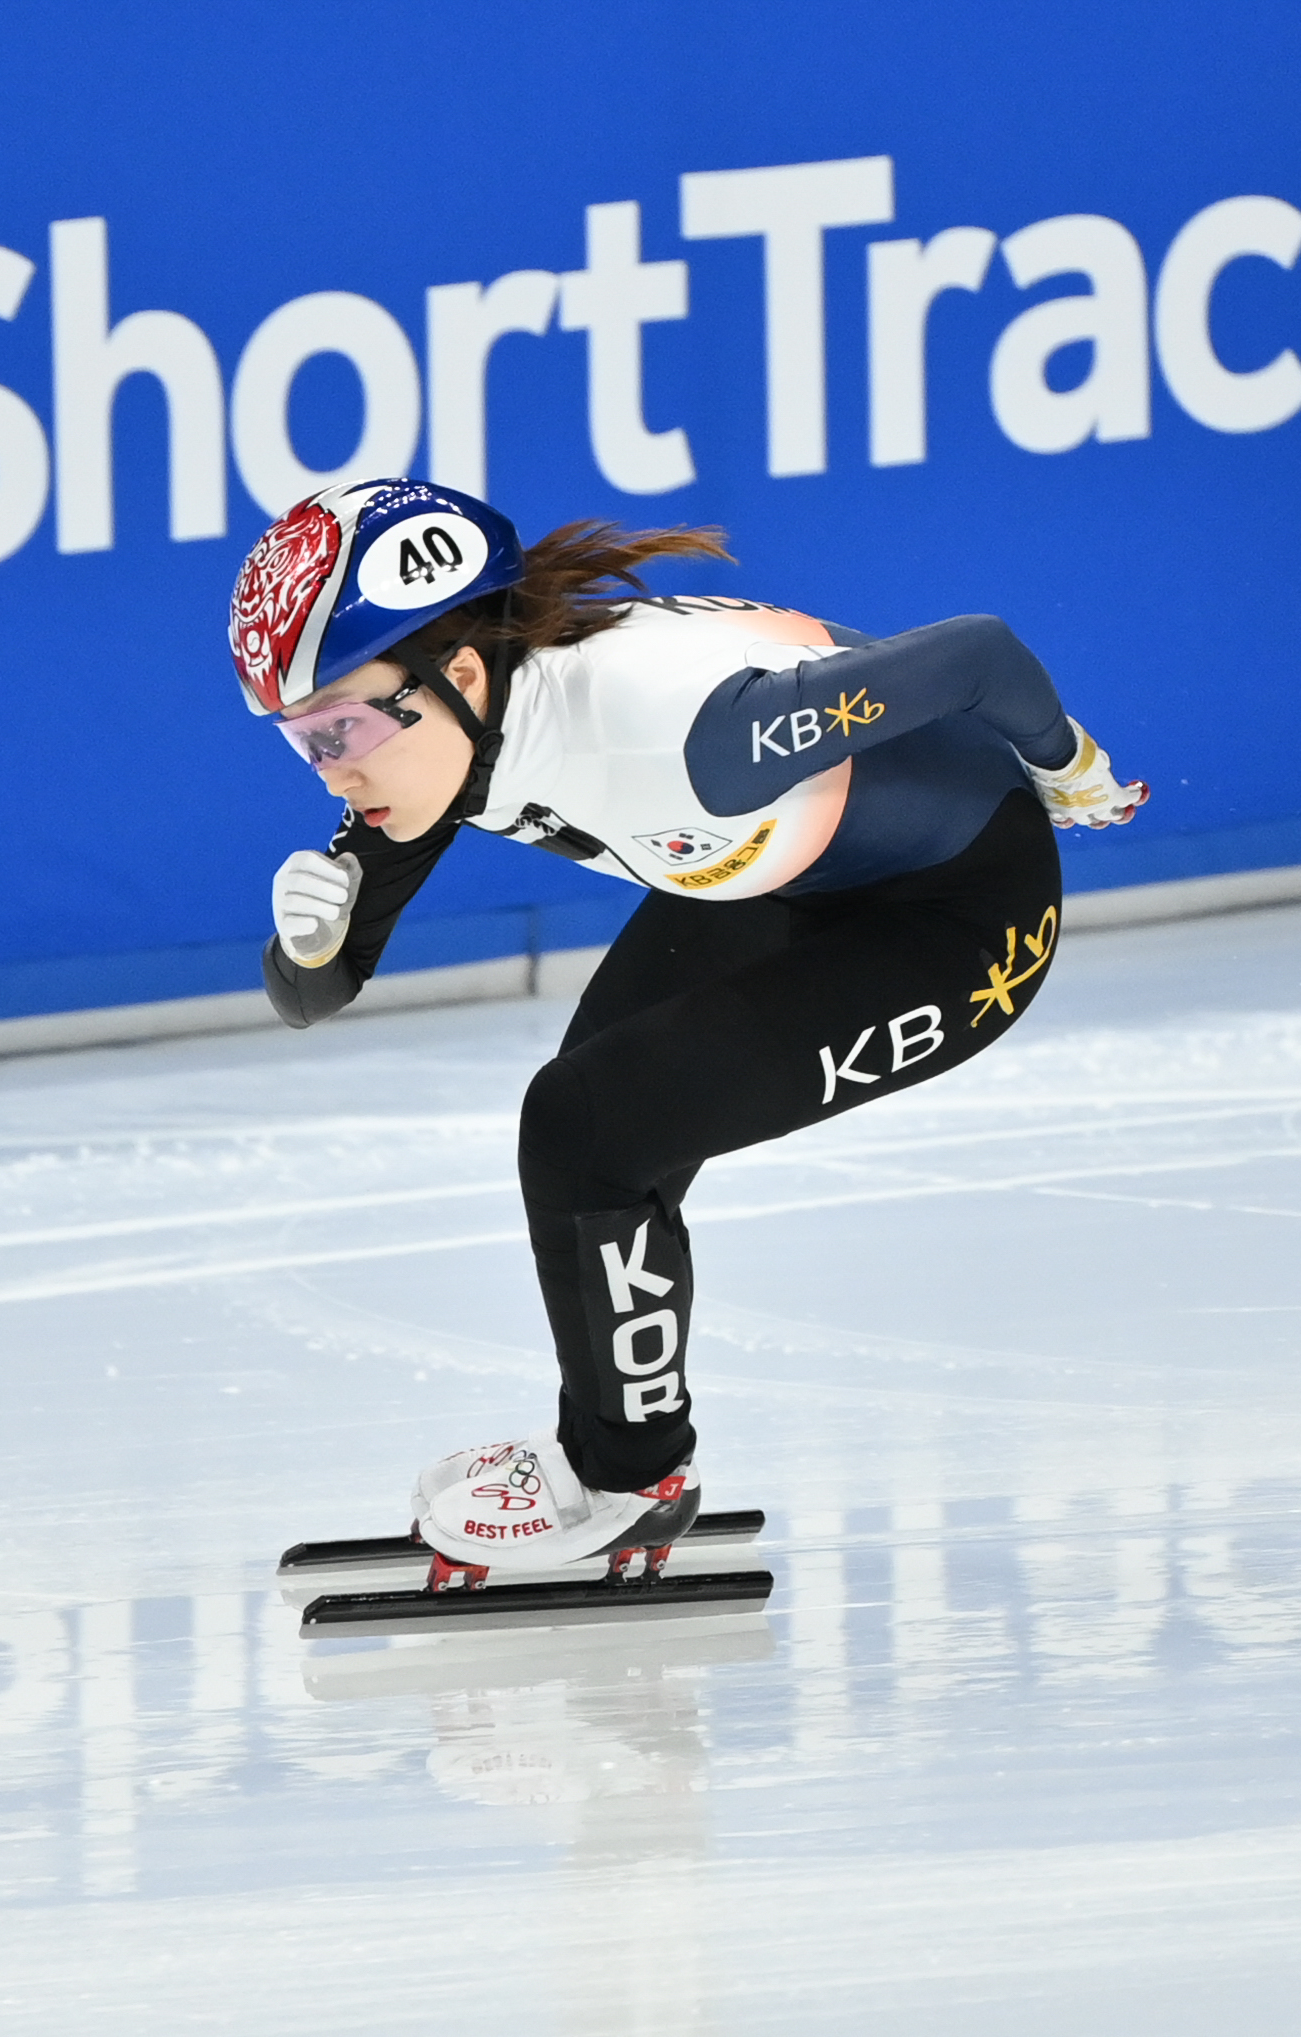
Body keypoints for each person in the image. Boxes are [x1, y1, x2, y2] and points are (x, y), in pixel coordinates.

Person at [229, 479, 1143, 1580]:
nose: (334, 768)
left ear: (457, 673)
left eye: (341, 728)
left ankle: (629, 1475)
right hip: (778, 876)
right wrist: (308, 949)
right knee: (588, 1123)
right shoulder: (436, 736)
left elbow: (974, 657)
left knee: (590, 1126)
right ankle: (605, 1455)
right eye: (301, 741)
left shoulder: (698, 737)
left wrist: (1071, 769)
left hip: (962, 917)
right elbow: (313, 996)